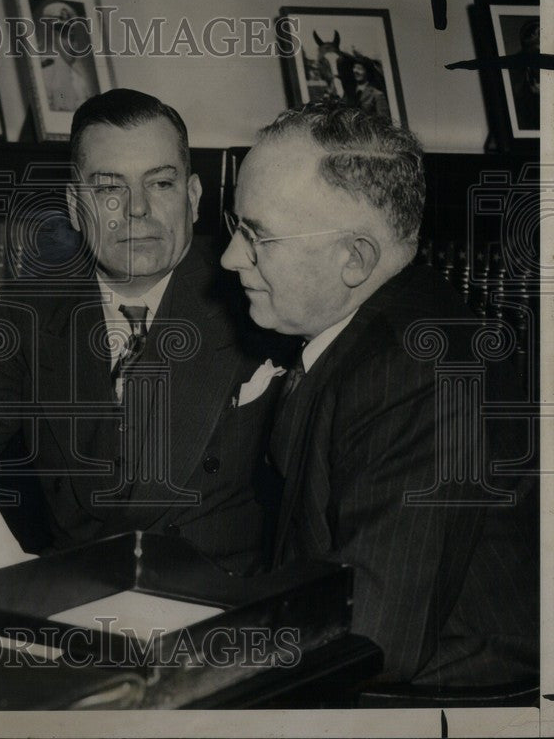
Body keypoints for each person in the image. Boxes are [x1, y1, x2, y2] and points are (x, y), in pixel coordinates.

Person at [0, 89, 286, 574]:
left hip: (220, 614)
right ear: (75, 206)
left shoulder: (258, 295)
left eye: (160, 184)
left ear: (194, 196)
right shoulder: (32, 307)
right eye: (109, 189)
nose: (137, 209)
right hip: (79, 604)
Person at [221, 102, 538, 686]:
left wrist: (192, 653)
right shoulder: (376, 335)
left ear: (355, 258)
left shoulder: (414, 370)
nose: (230, 257)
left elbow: (372, 633)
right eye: (235, 226)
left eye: (256, 236)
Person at [37, 1, 98, 112]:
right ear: (53, 37)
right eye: (64, 36)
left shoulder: (80, 80)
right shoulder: (45, 75)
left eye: (72, 37)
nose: (70, 44)